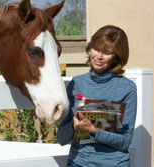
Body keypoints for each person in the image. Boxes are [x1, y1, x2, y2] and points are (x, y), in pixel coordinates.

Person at [57, 25, 137, 167]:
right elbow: (61, 138)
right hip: (79, 162)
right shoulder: (77, 83)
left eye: (106, 52)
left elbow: (124, 142)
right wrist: (73, 127)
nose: (99, 56)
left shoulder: (127, 88)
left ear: (116, 57)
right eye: (96, 49)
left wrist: (93, 130)